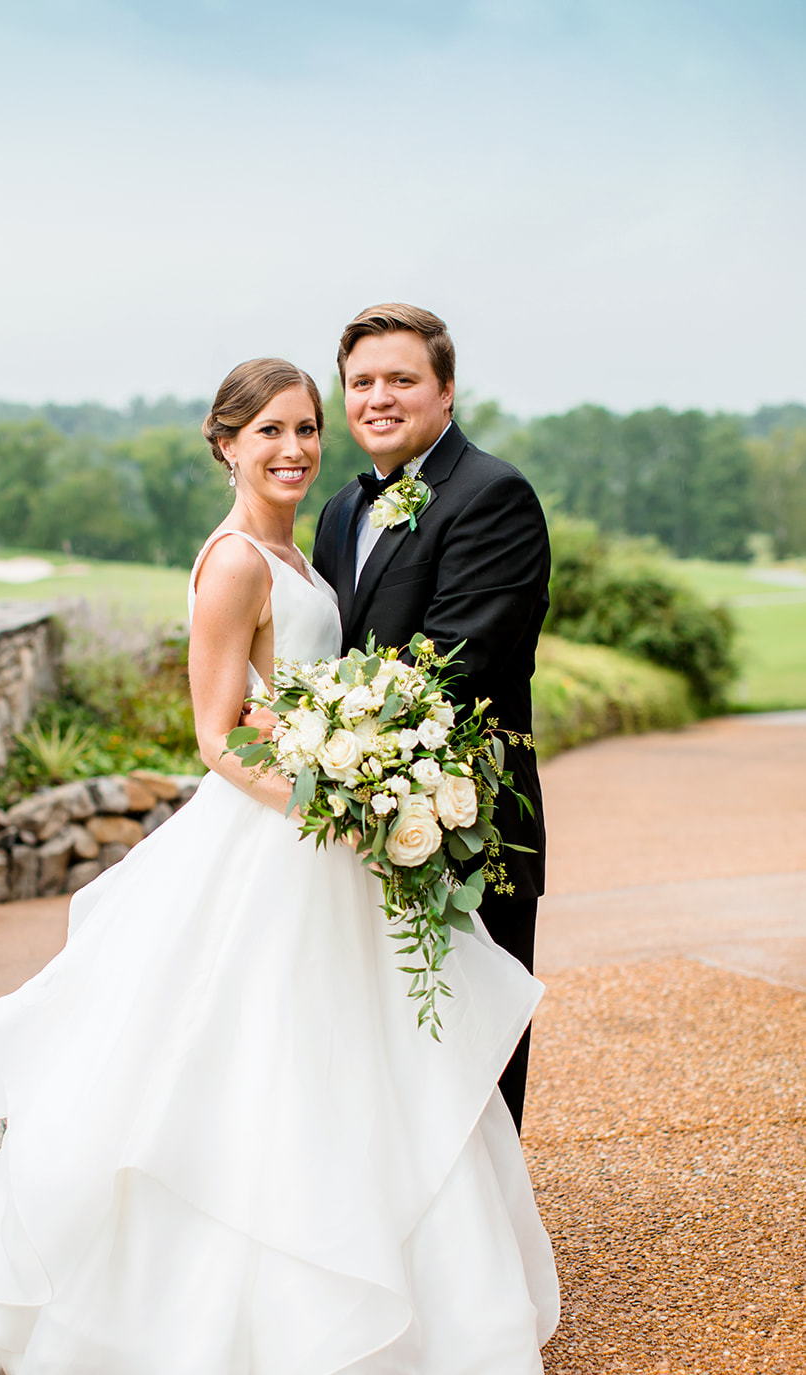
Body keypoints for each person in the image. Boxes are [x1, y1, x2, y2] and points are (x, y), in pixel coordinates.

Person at [0, 358, 558, 1375]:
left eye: (306, 430)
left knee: (337, 1077)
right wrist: (321, 807)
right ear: (223, 441)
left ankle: (380, 1344)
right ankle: (174, 1351)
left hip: (329, 840)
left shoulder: (308, 545)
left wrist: (356, 778)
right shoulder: (235, 561)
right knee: (217, 1077)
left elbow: (327, 684)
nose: (294, 448)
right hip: (274, 842)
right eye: (270, 431)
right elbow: (214, 734)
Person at [312, 304, 550, 1133]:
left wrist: (334, 738)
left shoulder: (493, 496)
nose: (378, 397)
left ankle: (483, 1255)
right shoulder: (341, 509)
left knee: (466, 1050)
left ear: (445, 391)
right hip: (356, 816)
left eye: (401, 380)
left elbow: (459, 664)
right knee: (374, 1051)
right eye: (360, 382)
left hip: (465, 819)